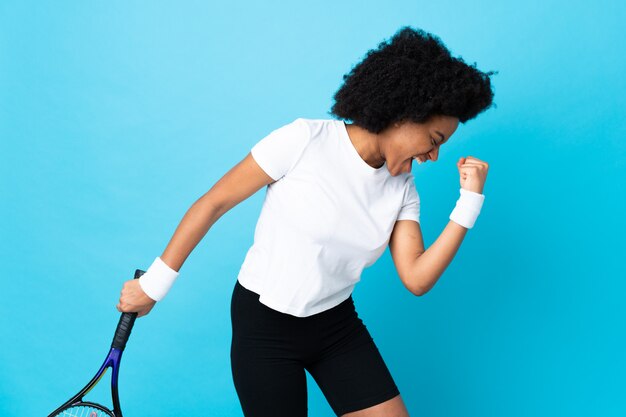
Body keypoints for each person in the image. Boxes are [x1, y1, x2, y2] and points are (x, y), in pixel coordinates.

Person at [116, 26, 496, 417]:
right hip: (265, 325)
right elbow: (213, 203)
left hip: (335, 326)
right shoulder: (304, 141)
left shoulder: (402, 189)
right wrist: (154, 285)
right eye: (433, 139)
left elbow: (416, 277)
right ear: (403, 113)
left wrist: (468, 204)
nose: (433, 156)